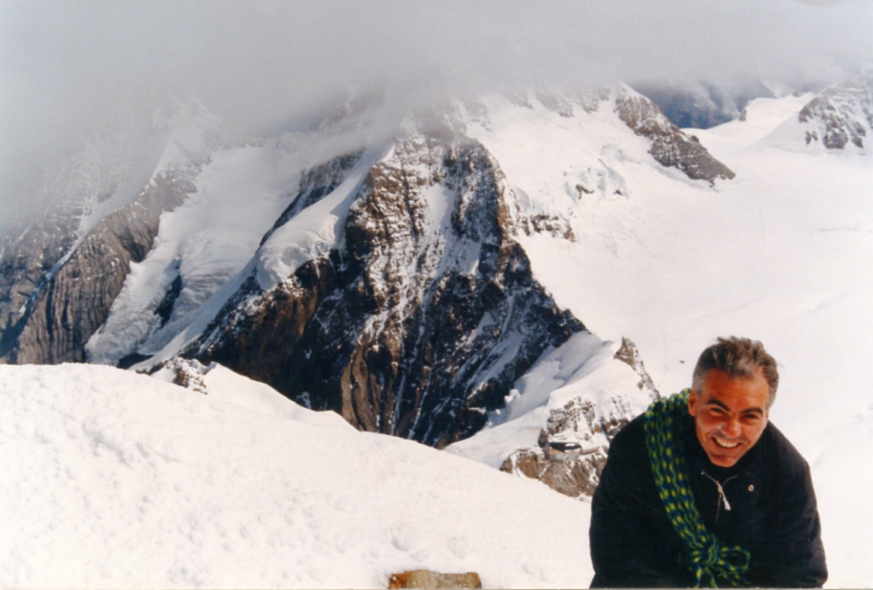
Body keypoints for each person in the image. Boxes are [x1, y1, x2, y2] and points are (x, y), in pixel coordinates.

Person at [589, 336, 827, 587]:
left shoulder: (786, 472)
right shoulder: (640, 447)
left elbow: (801, 574)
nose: (731, 430)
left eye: (749, 416)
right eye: (717, 411)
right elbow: (617, 559)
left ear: (766, 417)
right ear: (693, 402)